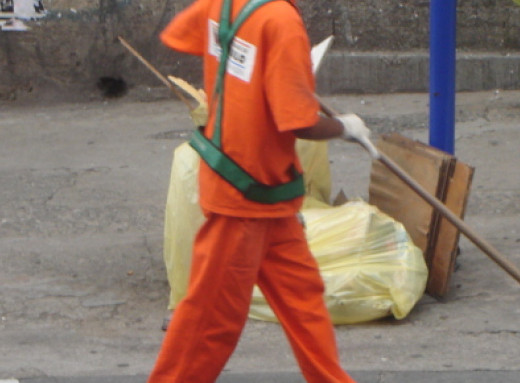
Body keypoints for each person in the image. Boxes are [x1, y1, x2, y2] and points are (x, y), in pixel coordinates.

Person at [147, 0, 371, 381]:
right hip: (243, 200)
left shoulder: (226, 3)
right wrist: (345, 128)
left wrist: (268, 69)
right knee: (209, 323)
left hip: (268, 194)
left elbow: (183, 34)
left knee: (305, 305)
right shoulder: (281, 20)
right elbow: (296, 121)